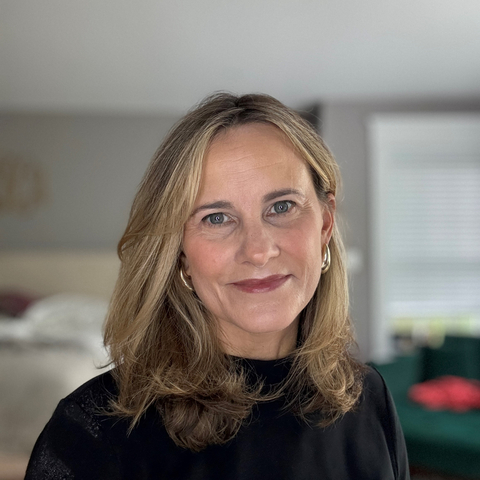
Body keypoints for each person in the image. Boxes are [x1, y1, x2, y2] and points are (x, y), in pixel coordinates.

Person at [25, 93, 409, 479]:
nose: (257, 251)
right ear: (180, 254)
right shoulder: (90, 431)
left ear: (325, 225)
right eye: (217, 218)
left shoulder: (368, 398)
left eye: (281, 207)